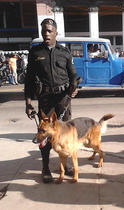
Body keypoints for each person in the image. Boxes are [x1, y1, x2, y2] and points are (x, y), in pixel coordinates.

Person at [24, 18, 79, 183]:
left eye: (49, 31)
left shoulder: (65, 52)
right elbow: (28, 80)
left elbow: (73, 75)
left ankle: (67, 165)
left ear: (56, 32)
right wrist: (28, 103)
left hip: (63, 99)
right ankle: (45, 167)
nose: (46, 34)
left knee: (65, 134)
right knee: (46, 135)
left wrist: (74, 86)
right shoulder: (35, 53)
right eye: (43, 31)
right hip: (45, 100)